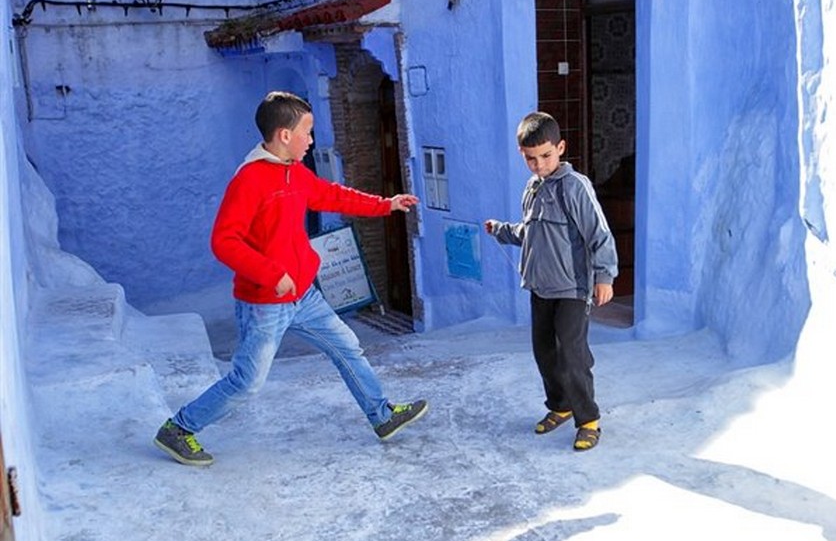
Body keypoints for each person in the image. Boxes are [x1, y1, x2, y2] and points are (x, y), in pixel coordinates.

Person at [154, 91, 427, 466]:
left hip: (304, 296)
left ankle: (382, 416)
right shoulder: (249, 180)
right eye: (307, 132)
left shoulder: (294, 172)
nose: (311, 140)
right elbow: (223, 241)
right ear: (284, 134)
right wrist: (271, 274)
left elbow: (332, 196)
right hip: (265, 301)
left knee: (346, 346)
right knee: (247, 382)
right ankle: (179, 429)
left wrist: (385, 204)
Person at [485, 111, 618, 451]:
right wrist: (501, 230)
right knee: (544, 352)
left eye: (546, 156)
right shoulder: (531, 188)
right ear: (522, 155)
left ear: (560, 147)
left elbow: (599, 234)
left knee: (573, 353)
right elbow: (529, 233)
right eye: (531, 159)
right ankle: (560, 406)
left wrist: (604, 276)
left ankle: (588, 419)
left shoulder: (575, 187)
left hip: (572, 289)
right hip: (540, 286)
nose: (539, 164)